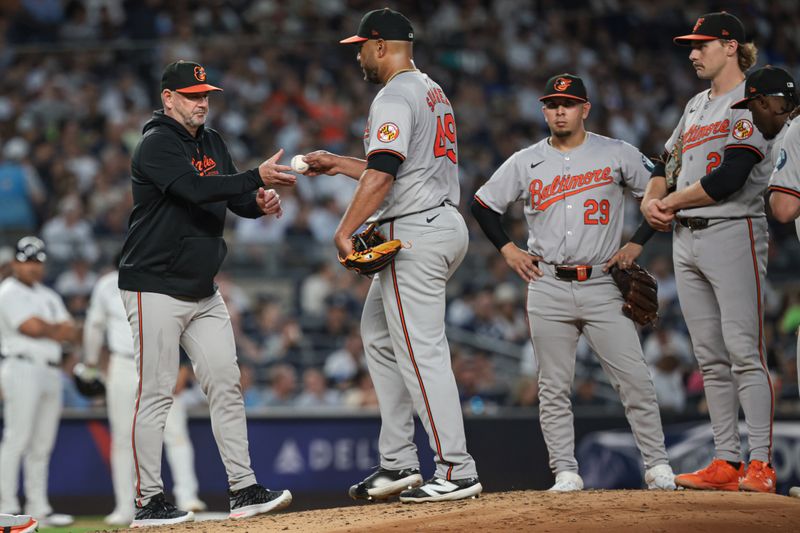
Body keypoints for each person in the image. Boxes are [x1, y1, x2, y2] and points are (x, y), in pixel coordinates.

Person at [302, 8, 482, 503]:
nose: (358, 54)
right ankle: (399, 462)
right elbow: (399, 168)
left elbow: (384, 175)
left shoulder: (395, 93)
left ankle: (455, 468)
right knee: (379, 338)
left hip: (415, 230)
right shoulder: (430, 90)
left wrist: (345, 231)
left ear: (381, 45)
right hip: (434, 220)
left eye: (361, 45)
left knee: (421, 350)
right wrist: (340, 164)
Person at [471, 73, 676, 492]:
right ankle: (565, 471)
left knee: (635, 379)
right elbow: (482, 204)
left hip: (602, 281)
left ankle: (657, 466)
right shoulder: (526, 160)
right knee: (552, 386)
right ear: (543, 110)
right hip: (546, 283)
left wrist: (638, 243)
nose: (559, 111)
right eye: (551, 104)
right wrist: (508, 250)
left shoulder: (616, 152)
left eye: (567, 103)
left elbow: (659, 184)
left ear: (585, 108)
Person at [117, 60, 295, 527]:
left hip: (202, 288)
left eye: (205, 95)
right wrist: (255, 178)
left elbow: (231, 198)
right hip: (153, 283)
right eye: (192, 95)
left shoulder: (213, 141)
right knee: (156, 394)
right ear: (168, 99)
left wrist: (258, 203)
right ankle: (147, 500)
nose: (202, 102)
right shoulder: (154, 144)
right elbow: (195, 190)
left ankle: (243, 489)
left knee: (227, 384)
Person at [641, 12, 777, 492]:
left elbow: (731, 176)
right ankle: (726, 461)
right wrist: (649, 195)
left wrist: (668, 200)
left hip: (733, 229)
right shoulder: (697, 104)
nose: (694, 54)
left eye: (702, 45)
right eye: (691, 46)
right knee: (710, 357)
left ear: (731, 46)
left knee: (744, 352)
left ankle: (759, 464)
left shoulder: (755, 98)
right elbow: (664, 160)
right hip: (687, 239)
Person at [83, 257, 208, 526]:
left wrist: (183, 367)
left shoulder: (162, 276)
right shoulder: (106, 285)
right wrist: (93, 365)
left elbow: (183, 322)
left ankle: (188, 497)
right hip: (123, 363)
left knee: (174, 431)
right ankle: (125, 506)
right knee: (122, 436)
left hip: (160, 359)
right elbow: (94, 326)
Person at [735, 65, 800, 497]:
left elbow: (783, 209)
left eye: (754, 108)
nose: (754, 119)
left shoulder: (794, 132)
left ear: (766, 102)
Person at [0, 237, 75, 527]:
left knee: (42, 444)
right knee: (16, 439)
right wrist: (54, 328)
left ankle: (38, 508)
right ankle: (5, 507)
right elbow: (30, 328)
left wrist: (51, 329)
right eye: (27, 260)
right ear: (16, 262)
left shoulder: (49, 295)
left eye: (37, 261)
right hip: (21, 366)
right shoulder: (7, 291)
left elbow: (73, 332)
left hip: (51, 371)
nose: (33, 267)